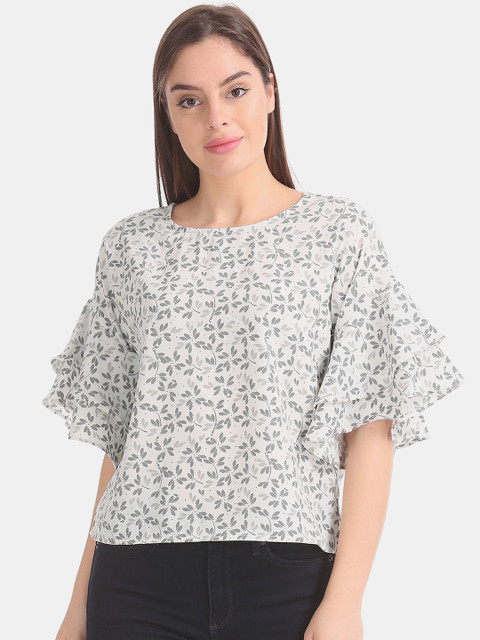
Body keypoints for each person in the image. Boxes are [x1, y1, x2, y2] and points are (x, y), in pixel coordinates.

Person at [42, 4, 465, 640]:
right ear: (168, 116)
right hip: (136, 578)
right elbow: (123, 441)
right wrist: (78, 605)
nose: (216, 118)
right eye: (189, 101)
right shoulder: (132, 249)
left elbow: (371, 428)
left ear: (270, 91)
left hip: (285, 576)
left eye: (235, 90)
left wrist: (345, 601)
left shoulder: (337, 235)